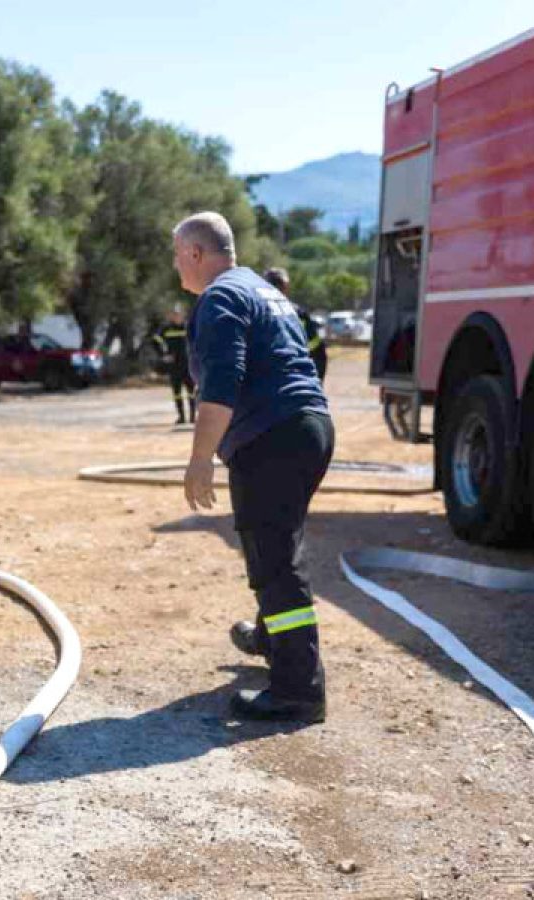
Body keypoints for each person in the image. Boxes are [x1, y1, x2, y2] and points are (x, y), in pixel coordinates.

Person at [173, 211, 334, 723]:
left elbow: (223, 381)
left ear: (197, 253)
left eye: (178, 255)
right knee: (278, 543)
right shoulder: (262, 289)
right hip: (307, 427)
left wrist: (200, 460)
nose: (176, 266)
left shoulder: (220, 297)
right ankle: (273, 638)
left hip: (274, 436)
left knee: (273, 561)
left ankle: (297, 689)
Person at [263, 267, 327, 383]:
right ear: (286, 287)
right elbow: (318, 353)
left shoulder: (253, 311)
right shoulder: (297, 313)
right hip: (293, 381)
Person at [152, 304, 196, 424]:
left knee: (192, 392)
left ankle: (193, 416)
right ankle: (181, 417)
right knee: (177, 392)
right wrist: (163, 355)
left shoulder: (188, 326)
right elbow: (155, 340)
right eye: (175, 315)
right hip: (174, 365)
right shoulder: (166, 328)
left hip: (188, 365)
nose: (177, 317)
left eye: (179, 314)